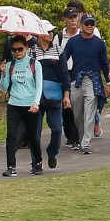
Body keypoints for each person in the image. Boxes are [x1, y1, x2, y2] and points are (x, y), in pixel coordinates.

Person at [61, 15, 110, 153]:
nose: (89, 26)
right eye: (87, 23)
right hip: (76, 80)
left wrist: (109, 82)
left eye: (92, 24)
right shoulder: (73, 41)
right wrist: (61, 75)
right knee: (77, 114)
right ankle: (83, 138)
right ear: (81, 25)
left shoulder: (99, 43)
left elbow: (104, 63)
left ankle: (86, 142)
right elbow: (64, 59)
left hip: (92, 80)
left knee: (89, 112)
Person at [0, 34, 42, 176]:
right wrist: (3, 72)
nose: (17, 52)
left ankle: (37, 162)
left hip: (30, 104)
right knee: (11, 135)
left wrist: (36, 103)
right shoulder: (10, 65)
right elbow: (4, 87)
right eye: (14, 50)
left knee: (32, 137)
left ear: (27, 48)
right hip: (14, 104)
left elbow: (39, 86)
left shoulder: (34, 64)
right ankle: (11, 166)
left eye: (20, 49)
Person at [29, 26, 71, 169]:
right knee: (35, 131)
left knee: (57, 129)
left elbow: (64, 74)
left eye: (52, 31)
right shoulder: (31, 51)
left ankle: (52, 153)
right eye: (47, 32)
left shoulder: (58, 50)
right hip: (36, 96)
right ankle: (36, 162)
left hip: (54, 95)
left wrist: (66, 95)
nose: (50, 34)